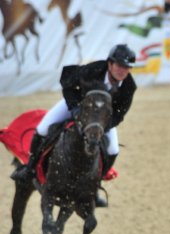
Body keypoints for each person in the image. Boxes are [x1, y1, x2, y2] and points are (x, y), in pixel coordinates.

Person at [11, 44, 137, 208]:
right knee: (43, 128)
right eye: (120, 65)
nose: (123, 71)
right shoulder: (93, 70)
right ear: (110, 63)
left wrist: (101, 127)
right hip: (77, 105)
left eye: (127, 67)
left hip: (100, 120)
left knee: (113, 149)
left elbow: (119, 114)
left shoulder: (129, 86)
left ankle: (95, 186)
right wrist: (75, 108)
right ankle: (29, 170)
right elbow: (67, 82)